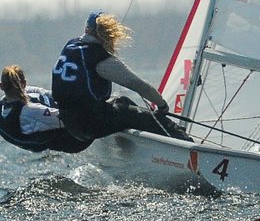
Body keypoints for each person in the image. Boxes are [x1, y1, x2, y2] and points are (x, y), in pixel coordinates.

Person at [50, 10, 191, 142]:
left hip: (70, 122)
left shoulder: (71, 46)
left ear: (86, 29)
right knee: (145, 117)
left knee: (122, 101)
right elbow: (137, 84)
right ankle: (185, 141)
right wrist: (162, 105)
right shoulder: (98, 57)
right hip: (90, 124)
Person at [0, 65, 92, 153]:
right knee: (89, 118)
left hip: (56, 120)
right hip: (74, 141)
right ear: (24, 83)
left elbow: (49, 94)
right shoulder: (29, 110)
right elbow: (69, 120)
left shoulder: (5, 101)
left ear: (2, 86)